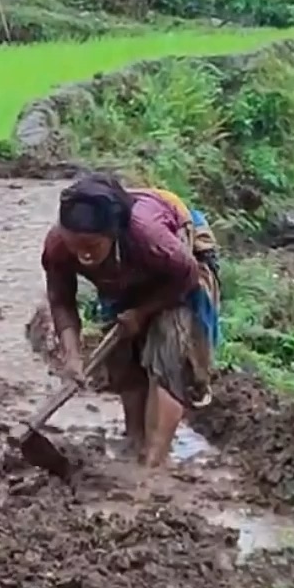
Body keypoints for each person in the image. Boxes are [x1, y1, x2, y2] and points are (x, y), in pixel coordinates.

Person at [41, 173, 222, 468]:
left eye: (92, 246)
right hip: (124, 277)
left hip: (177, 277)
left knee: (169, 353)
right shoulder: (58, 246)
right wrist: (72, 356)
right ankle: (134, 443)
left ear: (113, 234)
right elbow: (61, 299)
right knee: (123, 360)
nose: (83, 254)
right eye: (76, 245)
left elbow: (186, 277)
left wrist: (141, 313)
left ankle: (153, 463)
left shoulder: (150, 237)